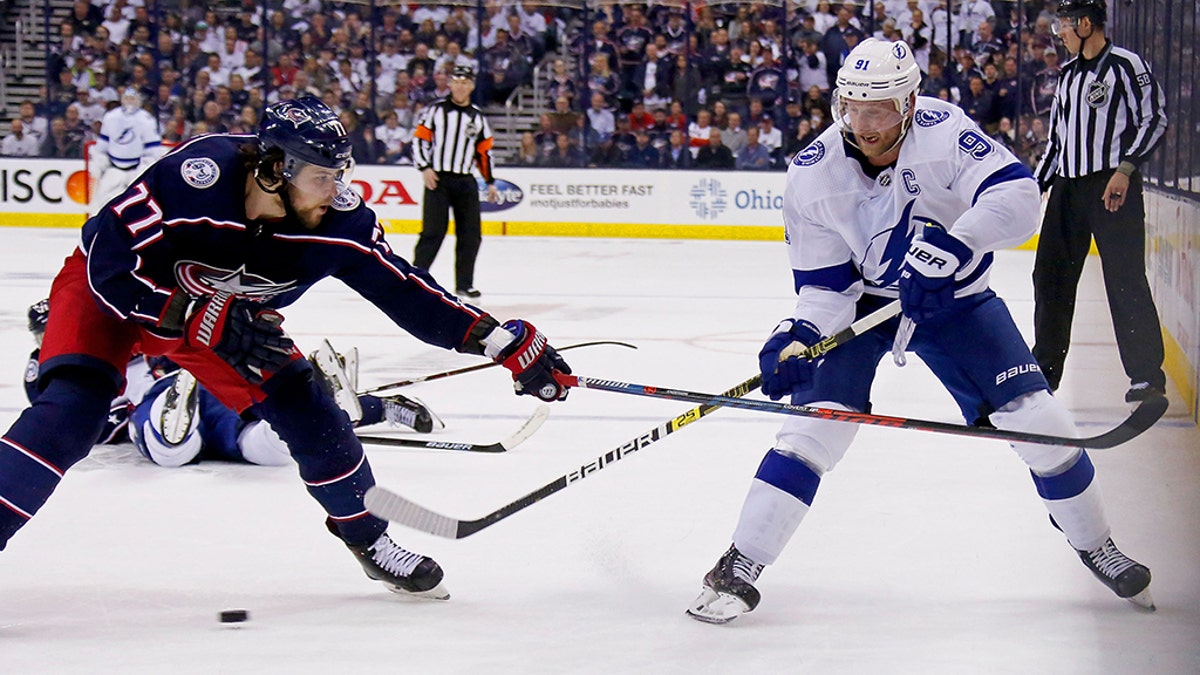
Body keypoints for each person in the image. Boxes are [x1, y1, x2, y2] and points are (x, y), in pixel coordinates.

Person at [0, 96, 573, 602]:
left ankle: (369, 539)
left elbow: (405, 291)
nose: (340, 189)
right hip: (113, 296)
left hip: (221, 319)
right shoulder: (195, 176)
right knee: (70, 415)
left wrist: (498, 340)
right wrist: (186, 313)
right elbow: (106, 254)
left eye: (341, 172)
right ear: (276, 170)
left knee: (311, 412)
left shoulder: (339, 223)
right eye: (323, 176)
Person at [687, 39, 1153, 625]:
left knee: (1043, 424)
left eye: (879, 109)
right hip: (861, 309)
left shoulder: (944, 131)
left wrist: (957, 246)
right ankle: (741, 563)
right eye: (853, 108)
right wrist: (799, 333)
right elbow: (827, 287)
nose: (864, 123)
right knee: (811, 431)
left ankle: (1096, 545)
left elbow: (1017, 194)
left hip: (953, 298)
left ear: (909, 103)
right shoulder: (812, 174)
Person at [25, 300, 443, 467]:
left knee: (278, 441)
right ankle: (177, 401)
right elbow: (86, 422)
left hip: (195, 389)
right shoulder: (52, 371)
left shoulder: (113, 336)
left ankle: (376, 406)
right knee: (266, 450)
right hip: (168, 401)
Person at [1031, 0, 1168, 404]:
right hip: (1068, 190)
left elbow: (1154, 117)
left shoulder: (1126, 65)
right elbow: (1058, 142)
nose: (1060, 34)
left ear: (1087, 24)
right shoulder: (1068, 74)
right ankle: (1045, 373)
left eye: (1065, 25)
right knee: (1050, 276)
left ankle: (1146, 375)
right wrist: (1035, 186)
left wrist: (1125, 169)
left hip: (1113, 187)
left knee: (1125, 279)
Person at [411, 65, 498, 299]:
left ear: (471, 86)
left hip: (465, 181)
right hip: (438, 179)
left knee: (471, 234)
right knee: (432, 232)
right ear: (449, 84)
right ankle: (416, 278)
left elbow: (484, 152)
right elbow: (420, 140)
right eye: (456, 81)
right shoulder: (435, 111)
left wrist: (490, 181)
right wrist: (425, 167)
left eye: (465, 82)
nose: (460, 86)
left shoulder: (477, 117)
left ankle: (464, 284)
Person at [89, 87, 164, 215]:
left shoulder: (146, 119)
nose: (129, 102)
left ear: (138, 101)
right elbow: (103, 144)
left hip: (137, 170)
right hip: (114, 169)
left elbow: (153, 149)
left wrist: (146, 168)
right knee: (102, 201)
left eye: (132, 99)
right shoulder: (111, 117)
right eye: (127, 98)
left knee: (140, 204)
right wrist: (99, 160)